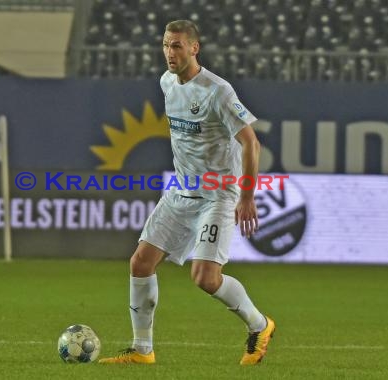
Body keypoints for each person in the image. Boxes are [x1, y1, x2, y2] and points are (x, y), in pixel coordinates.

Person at [99, 19, 275, 365]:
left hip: (218, 194)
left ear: (194, 48)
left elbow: (251, 143)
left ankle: (260, 325)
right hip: (181, 191)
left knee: (205, 279)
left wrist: (247, 196)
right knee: (140, 262)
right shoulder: (167, 82)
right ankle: (142, 350)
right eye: (166, 45)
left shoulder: (217, 91)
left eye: (177, 45)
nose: (169, 52)